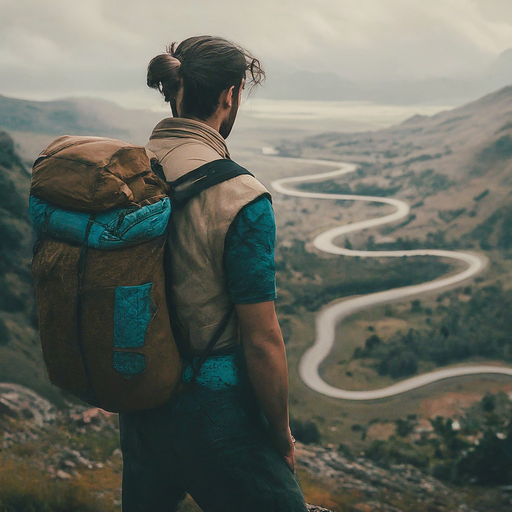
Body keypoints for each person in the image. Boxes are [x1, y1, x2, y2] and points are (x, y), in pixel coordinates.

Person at [118, 36, 308, 512]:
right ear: (230, 95)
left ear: (173, 89)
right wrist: (280, 432)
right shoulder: (241, 195)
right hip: (217, 413)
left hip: (140, 403)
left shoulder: (127, 170)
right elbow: (262, 339)